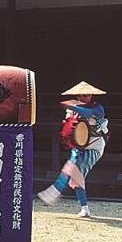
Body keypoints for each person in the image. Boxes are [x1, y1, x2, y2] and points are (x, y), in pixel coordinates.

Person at [37, 82, 108, 218]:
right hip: (78, 145)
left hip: (94, 146)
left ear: (91, 95)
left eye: (85, 95)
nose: (82, 98)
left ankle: (55, 190)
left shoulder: (98, 108)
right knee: (75, 173)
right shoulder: (72, 111)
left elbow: (88, 114)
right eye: (80, 95)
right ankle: (84, 207)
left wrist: (72, 106)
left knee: (74, 170)